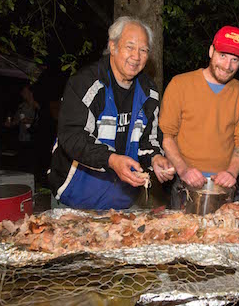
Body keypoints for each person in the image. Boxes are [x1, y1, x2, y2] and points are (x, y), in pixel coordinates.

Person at [48, 16, 175, 210]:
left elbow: (149, 141)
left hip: (123, 202)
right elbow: (72, 136)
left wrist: (156, 159)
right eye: (130, 47)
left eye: (143, 50)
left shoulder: (150, 93)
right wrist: (111, 160)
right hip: (74, 200)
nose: (136, 56)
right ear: (113, 47)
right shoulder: (86, 83)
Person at [159, 26, 239, 209]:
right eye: (223, 55)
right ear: (211, 51)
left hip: (225, 184)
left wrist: (231, 173)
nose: (227, 66)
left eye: (235, 59)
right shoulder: (180, 84)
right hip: (185, 181)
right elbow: (167, 136)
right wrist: (183, 169)